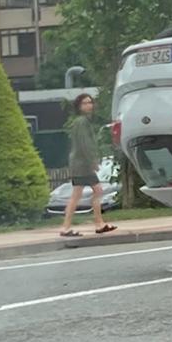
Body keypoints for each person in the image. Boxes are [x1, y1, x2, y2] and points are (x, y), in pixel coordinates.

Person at [60, 93, 116, 240]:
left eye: (90, 102)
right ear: (79, 106)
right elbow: (85, 144)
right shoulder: (82, 122)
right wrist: (93, 162)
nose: (89, 105)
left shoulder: (82, 121)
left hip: (79, 163)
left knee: (82, 194)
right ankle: (95, 224)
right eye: (85, 103)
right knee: (93, 191)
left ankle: (93, 224)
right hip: (82, 164)